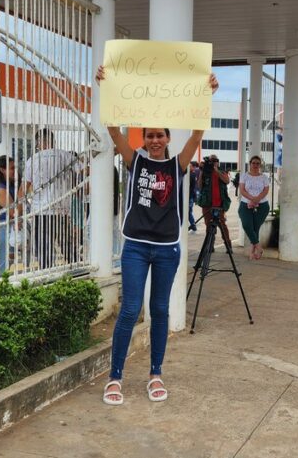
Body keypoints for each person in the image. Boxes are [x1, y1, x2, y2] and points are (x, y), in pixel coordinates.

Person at [95, 66, 218, 405]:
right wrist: (106, 88)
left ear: (167, 138)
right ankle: (115, 377)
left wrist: (207, 93)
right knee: (131, 308)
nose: (154, 140)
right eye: (148, 135)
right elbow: (113, 131)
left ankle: (155, 374)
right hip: (135, 246)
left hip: (167, 250)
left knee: (160, 309)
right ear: (143, 139)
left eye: (159, 135)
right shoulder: (135, 162)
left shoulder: (177, 165)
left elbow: (196, 135)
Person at [20, 128, 77, 268]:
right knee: (67, 247)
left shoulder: (32, 160)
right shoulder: (64, 156)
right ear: (53, 141)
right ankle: (79, 272)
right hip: (61, 211)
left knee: (44, 251)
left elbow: (23, 189)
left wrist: (19, 212)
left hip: (41, 211)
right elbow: (83, 170)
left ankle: (47, 275)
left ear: (39, 143)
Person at [238, 155, 271, 260]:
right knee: (247, 225)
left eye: (258, 163)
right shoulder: (244, 176)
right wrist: (252, 198)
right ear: (250, 164)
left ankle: (252, 252)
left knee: (255, 228)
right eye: (253, 163)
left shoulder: (264, 177)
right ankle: (259, 247)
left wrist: (257, 199)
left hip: (262, 206)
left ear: (260, 165)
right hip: (245, 204)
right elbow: (242, 190)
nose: (255, 165)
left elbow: (266, 190)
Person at [197, 154, 232, 247]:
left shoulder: (222, 171)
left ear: (218, 161)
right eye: (211, 160)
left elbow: (227, 181)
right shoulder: (205, 173)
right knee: (209, 226)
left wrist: (216, 170)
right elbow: (200, 186)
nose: (213, 162)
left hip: (219, 205)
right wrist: (202, 171)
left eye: (215, 160)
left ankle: (228, 245)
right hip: (207, 204)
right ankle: (210, 246)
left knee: (223, 226)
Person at [187, 160, 200, 232]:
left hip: (189, 196)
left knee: (188, 212)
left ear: (194, 167)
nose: (189, 167)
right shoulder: (193, 174)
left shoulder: (191, 175)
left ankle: (193, 225)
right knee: (189, 212)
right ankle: (193, 225)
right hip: (191, 196)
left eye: (190, 166)